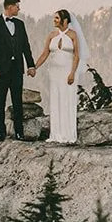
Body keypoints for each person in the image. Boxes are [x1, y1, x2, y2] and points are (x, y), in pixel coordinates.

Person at [35, 8, 89, 145]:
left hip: (67, 72)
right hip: (54, 73)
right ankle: (56, 133)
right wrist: (34, 67)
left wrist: (72, 72)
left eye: (57, 18)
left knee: (67, 100)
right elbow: (44, 54)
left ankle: (68, 134)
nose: (54, 20)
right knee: (56, 100)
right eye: (54, 18)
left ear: (65, 20)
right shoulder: (51, 35)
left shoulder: (73, 35)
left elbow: (77, 55)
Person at [0, 0, 36, 142]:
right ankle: (0, 132)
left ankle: (19, 132)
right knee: (0, 100)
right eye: (17, 6)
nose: (19, 9)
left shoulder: (20, 24)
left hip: (17, 69)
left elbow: (26, 46)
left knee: (17, 101)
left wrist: (31, 65)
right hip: (1, 70)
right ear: (9, 7)